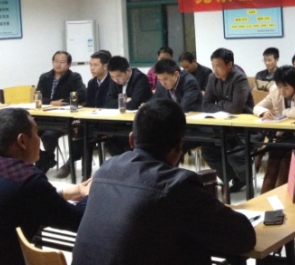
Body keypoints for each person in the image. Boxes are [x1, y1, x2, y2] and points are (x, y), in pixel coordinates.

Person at [71, 99, 255, 265]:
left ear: (132, 140)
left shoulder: (105, 170)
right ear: (180, 145)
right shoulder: (177, 186)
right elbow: (244, 237)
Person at [0, 108, 90, 265]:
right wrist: (90, 195)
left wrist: (63, 193)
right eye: (36, 133)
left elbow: (17, 199)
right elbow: (78, 221)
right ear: (22, 141)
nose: (39, 139)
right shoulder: (27, 178)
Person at [253, 65, 295, 193]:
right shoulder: (274, 90)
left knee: (287, 159)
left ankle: (282, 195)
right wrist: (264, 112)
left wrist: (283, 112)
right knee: (274, 156)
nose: (282, 91)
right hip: (285, 136)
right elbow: (257, 107)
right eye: (279, 87)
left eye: (286, 87)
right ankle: (265, 195)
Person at [201, 48, 254, 191]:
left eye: (218, 66)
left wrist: (219, 104)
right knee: (208, 150)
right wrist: (224, 105)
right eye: (212, 65)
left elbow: (236, 109)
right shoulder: (212, 78)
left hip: (244, 129)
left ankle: (244, 179)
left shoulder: (239, 78)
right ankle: (235, 177)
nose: (215, 69)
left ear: (229, 65)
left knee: (235, 154)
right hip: (222, 128)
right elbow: (205, 104)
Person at [57, 50, 112, 179]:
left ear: (105, 66)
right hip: (93, 120)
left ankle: (72, 164)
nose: (92, 68)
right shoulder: (92, 83)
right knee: (81, 129)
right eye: (91, 64)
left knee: (85, 134)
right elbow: (89, 104)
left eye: (95, 65)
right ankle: (82, 173)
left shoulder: (113, 81)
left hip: (108, 121)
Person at [35, 50, 86, 174]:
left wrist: (63, 101)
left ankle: (47, 159)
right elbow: (38, 96)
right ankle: (45, 158)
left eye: (62, 62)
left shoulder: (74, 77)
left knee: (48, 135)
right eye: (56, 61)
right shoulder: (45, 77)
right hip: (44, 117)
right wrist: (51, 102)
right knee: (23, 133)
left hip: (62, 119)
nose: (58, 64)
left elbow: (82, 94)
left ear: (69, 64)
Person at [105, 55, 153, 155]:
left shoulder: (140, 78)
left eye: (118, 76)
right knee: (110, 138)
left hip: (139, 122)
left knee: (125, 139)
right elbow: (108, 102)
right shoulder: (114, 80)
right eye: (112, 77)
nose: (115, 80)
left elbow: (133, 105)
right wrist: (125, 100)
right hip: (120, 121)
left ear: (127, 70)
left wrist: (121, 101)